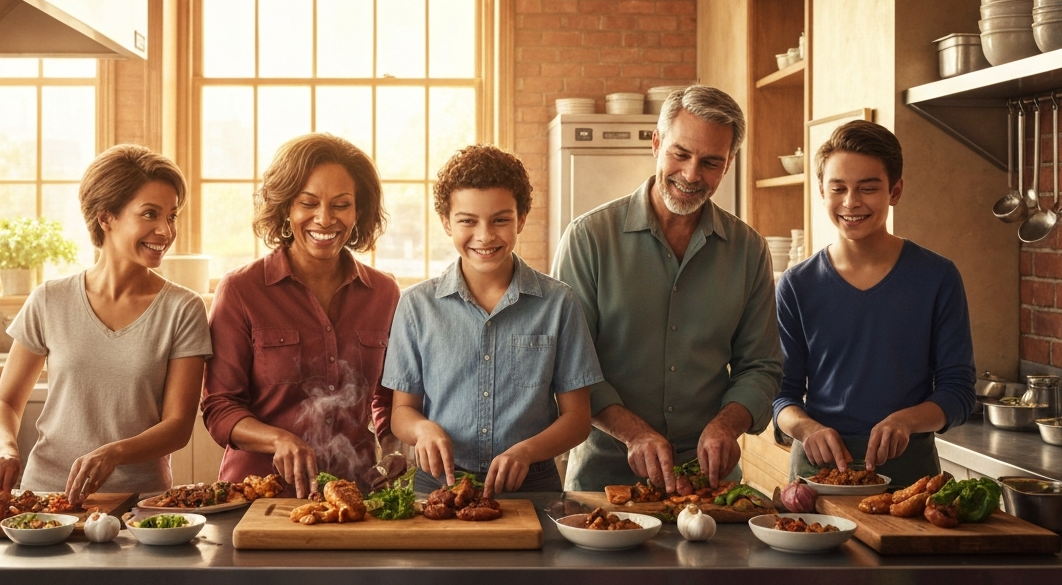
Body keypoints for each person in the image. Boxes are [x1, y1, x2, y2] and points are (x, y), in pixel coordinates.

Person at [552, 85, 783, 493]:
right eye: (681, 154)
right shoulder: (589, 238)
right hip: (604, 480)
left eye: (711, 162)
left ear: (727, 165)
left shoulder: (749, 250)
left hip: (710, 483)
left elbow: (760, 366)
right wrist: (633, 433)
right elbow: (570, 366)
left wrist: (727, 426)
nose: (692, 175)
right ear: (656, 144)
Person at [0, 145, 212, 504]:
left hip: (141, 503)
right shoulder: (49, 300)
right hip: (46, 496)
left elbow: (177, 427)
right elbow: (6, 402)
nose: (165, 231)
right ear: (106, 217)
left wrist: (114, 453)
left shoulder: (183, 309)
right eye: (150, 214)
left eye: (172, 216)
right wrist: (4, 447)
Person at [383, 145, 603, 496]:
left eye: (500, 220)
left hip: (532, 487)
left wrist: (527, 451)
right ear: (446, 222)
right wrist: (422, 429)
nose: (484, 236)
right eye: (467, 221)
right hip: (439, 485)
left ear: (522, 218)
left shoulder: (559, 303)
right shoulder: (416, 305)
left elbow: (577, 420)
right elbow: (402, 411)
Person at [773, 120, 975, 486]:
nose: (851, 203)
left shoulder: (937, 277)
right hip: (817, 475)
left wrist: (906, 421)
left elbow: (958, 391)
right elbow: (780, 396)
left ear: (895, 191)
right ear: (821, 191)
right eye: (838, 189)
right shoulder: (796, 285)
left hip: (910, 475)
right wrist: (805, 427)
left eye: (868, 188)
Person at [202, 133, 398, 498]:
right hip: (257, 497)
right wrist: (278, 439)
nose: (325, 219)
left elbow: (386, 398)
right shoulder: (241, 290)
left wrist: (394, 446)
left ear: (359, 211)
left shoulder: (384, 294)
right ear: (285, 206)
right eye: (308, 203)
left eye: (341, 205)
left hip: (355, 494)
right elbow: (219, 408)